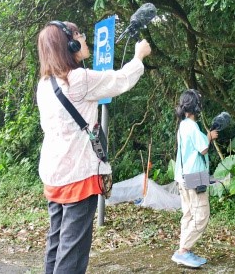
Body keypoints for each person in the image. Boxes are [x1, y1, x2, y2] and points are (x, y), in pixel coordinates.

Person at [36, 20, 151, 274]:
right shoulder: (78, 79)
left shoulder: (45, 84)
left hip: (54, 173)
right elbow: (121, 80)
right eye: (80, 36)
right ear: (71, 44)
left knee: (56, 242)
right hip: (77, 174)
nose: (85, 40)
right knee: (73, 251)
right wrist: (138, 56)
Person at [172, 89, 219, 268]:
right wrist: (210, 137)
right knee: (201, 216)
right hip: (195, 176)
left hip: (182, 176)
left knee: (188, 214)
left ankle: (184, 250)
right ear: (197, 108)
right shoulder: (192, 126)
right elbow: (203, 148)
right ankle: (183, 250)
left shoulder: (183, 125)